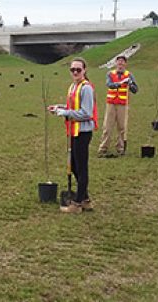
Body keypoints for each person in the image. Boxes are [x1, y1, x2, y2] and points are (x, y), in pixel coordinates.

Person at [48, 57, 98, 213]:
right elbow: (72, 107)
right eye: (73, 70)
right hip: (73, 131)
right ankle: (85, 199)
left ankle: (77, 204)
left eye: (78, 69)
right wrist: (59, 107)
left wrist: (65, 112)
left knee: (81, 168)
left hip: (83, 132)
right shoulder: (73, 86)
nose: (75, 72)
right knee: (75, 166)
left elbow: (86, 113)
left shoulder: (86, 88)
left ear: (84, 70)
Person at [98, 55, 138, 157]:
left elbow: (135, 90)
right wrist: (120, 84)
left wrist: (131, 84)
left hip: (123, 104)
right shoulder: (110, 74)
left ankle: (120, 148)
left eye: (122, 62)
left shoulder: (129, 75)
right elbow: (109, 84)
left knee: (122, 127)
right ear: (116, 63)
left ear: (125, 64)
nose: (120, 64)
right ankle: (103, 148)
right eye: (118, 62)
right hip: (111, 103)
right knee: (107, 127)